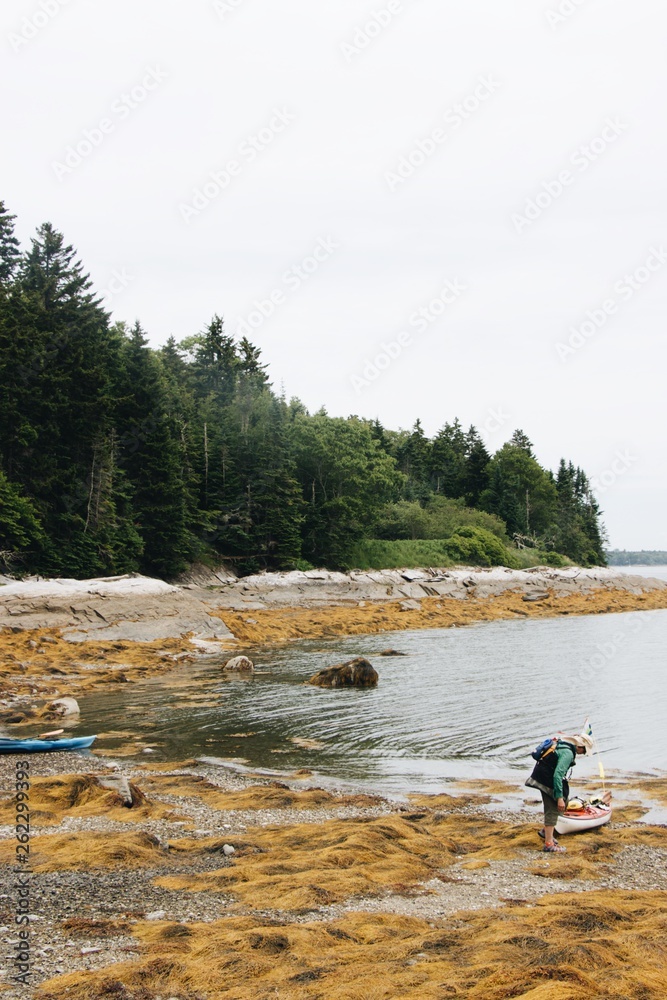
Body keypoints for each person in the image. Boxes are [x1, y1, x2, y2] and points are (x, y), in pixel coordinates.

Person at [525, 732, 594, 853]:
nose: (583, 754)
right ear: (580, 746)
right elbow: (557, 775)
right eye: (584, 751)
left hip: (543, 774)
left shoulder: (565, 744)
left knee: (563, 804)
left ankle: (546, 832)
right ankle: (549, 844)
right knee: (553, 807)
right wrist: (559, 798)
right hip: (546, 779)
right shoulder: (568, 753)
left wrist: (562, 799)